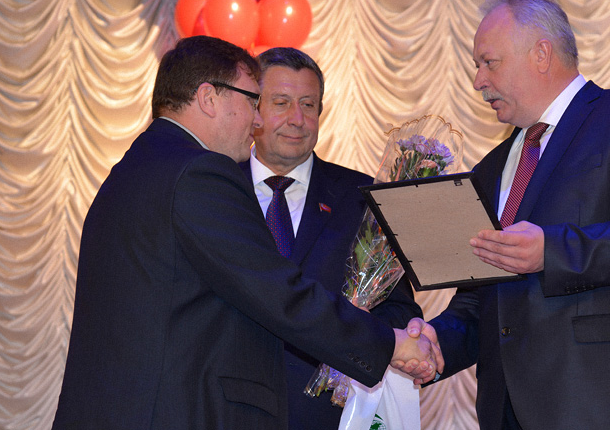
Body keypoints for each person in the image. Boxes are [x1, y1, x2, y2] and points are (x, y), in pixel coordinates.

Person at [51, 35, 439, 430]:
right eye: (256, 102)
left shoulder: (134, 168)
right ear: (209, 98)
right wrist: (389, 343)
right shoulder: (199, 173)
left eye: (308, 105)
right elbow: (275, 291)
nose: (257, 120)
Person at [405, 0, 610, 429]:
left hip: (606, 409)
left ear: (541, 54)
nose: (478, 81)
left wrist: (552, 250)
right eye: (476, 66)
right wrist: (436, 343)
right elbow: (481, 297)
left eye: (489, 62)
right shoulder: (491, 168)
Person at [242, 47, 423, 428]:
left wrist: (358, 325)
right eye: (281, 103)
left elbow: (401, 309)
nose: (297, 119)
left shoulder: (360, 197)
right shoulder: (217, 188)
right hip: (229, 409)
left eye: (308, 105)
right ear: (253, 109)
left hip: (330, 413)